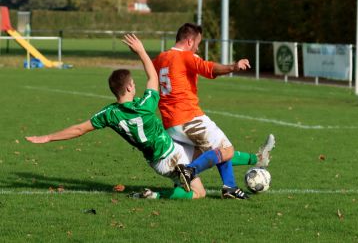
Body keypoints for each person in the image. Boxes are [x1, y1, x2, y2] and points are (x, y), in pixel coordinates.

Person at [25, 34, 204, 200]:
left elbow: (79, 129)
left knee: (201, 147)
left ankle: (180, 179)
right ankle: (157, 195)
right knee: (201, 189)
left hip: (157, 162)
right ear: (128, 88)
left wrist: (48, 137)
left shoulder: (110, 114)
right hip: (172, 155)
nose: (134, 86)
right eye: (133, 84)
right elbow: (153, 77)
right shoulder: (145, 106)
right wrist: (141, 51)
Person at [153, 23, 276, 199]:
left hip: (171, 123)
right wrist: (233, 67)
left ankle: (236, 181)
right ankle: (190, 171)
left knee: (215, 151)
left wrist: (141, 52)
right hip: (188, 117)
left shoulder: (161, 58)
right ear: (189, 41)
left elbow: (150, 69)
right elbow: (210, 68)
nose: (197, 47)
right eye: (197, 43)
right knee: (226, 148)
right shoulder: (185, 56)